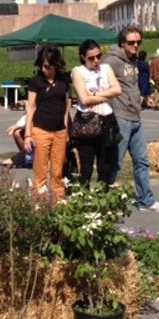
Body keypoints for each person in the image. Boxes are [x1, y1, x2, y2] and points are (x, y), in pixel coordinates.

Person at [106, 28, 159, 212]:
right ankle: (104, 200)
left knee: (142, 161)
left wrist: (142, 98)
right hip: (120, 117)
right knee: (115, 162)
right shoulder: (112, 61)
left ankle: (146, 200)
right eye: (132, 42)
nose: (136, 45)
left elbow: (131, 86)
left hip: (136, 117)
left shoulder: (134, 61)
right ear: (122, 43)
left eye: (138, 42)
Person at [70, 39, 122, 185]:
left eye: (99, 56)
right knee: (86, 167)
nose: (96, 61)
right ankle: (84, 198)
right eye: (91, 58)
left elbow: (117, 90)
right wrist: (106, 94)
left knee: (105, 166)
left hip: (107, 119)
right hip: (87, 120)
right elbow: (84, 100)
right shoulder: (78, 71)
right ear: (83, 57)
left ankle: (102, 199)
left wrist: (93, 95)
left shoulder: (106, 68)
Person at [23, 45, 71, 203]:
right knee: (40, 171)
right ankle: (40, 204)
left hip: (59, 131)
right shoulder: (36, 81)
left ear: (56, 64)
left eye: (48, 66)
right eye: (42, 66)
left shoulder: (64, 80)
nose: (44, 69)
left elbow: (66, 107)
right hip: (41, 129)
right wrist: (28, 134)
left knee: (57, 171)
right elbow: (30, 107)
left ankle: (58, 203)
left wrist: (66, 130)